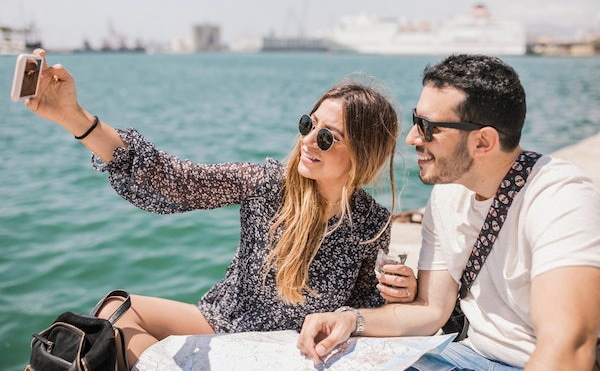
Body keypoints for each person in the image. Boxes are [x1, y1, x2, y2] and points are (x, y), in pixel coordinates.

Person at [24, 49, 417, 367]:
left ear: (363, 153)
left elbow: (368, 311)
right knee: (115, 311)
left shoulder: (373, 225)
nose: (309, 140)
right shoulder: (266, 183)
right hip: (223, 321)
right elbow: (175, 182)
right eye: (307, 124)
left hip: (286, 348)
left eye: (327, 137)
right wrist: (72, 117)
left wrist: (402, 294)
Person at [297, 54, 600, 371]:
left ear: (483, 142)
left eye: (428, 128)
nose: (411, 138)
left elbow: (567, 350)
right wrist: (350, 319)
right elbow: (431, 311)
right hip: (467, 356)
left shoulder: (563, 201)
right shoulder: (447, 195)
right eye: (416, 121)